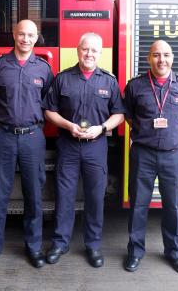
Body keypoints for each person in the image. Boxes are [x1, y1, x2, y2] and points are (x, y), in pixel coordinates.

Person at [0, 19, 54, 270]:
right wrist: (6, 122)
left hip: (33, 138)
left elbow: (48, 104)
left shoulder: (43, 69)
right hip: (4, 136)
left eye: (30, 35)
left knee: (33, 195)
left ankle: (33, 248)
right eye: (21, 34)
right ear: (14, 34)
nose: (26, 39)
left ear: (36, 37)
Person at [42, 32, 125, 268]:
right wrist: (68, 125)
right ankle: (60, 243)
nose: (89, 54)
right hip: (68, 145)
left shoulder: (108, 81)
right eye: (85, 49)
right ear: (77, 50)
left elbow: (119, 114)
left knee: (95, 198)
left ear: (100, 53)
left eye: (94, 50)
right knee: (64, 196)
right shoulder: (63, 79)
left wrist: (101, 128)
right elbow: (49, 110)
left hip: (96, 148)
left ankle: (93, 245)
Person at [122, 40, 178, 275]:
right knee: (137, 206)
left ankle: (174, 252)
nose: (161, 60)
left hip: (173, 156)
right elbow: (129, 117)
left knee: (173, 207)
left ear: (172, 58)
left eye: (165, 55)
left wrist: (171, 136)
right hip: (143, 155)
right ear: (148, 58)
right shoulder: (135, 86)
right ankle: (135, 251)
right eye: (156, 55)